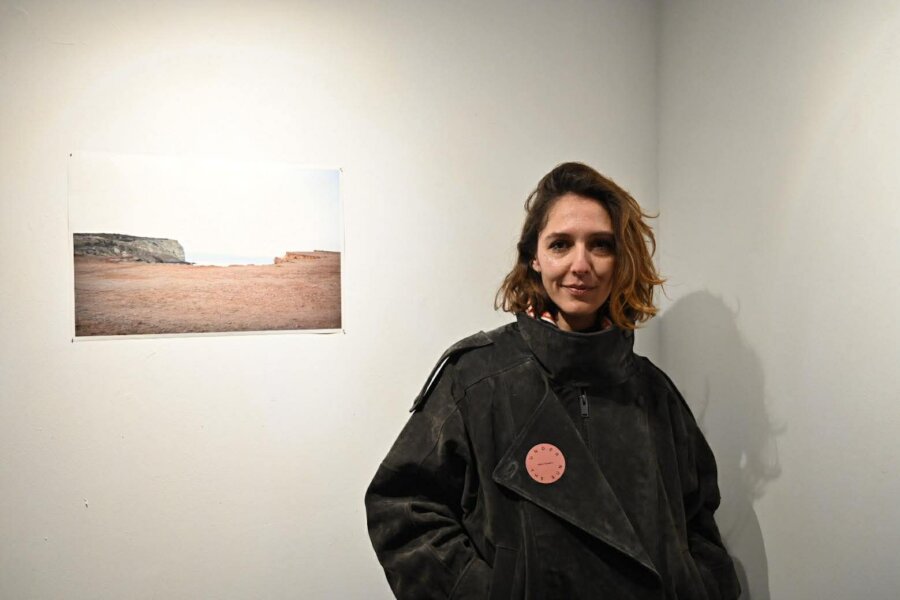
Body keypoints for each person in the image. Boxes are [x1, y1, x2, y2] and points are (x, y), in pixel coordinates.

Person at [365, 162, 741, 599]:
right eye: (561, 244)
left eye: (601, 245)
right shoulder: (478, 378)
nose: (581, 265)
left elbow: (698, 521)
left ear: (621, 259)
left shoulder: (654, 392)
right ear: (535, 257)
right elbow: (401, 507)